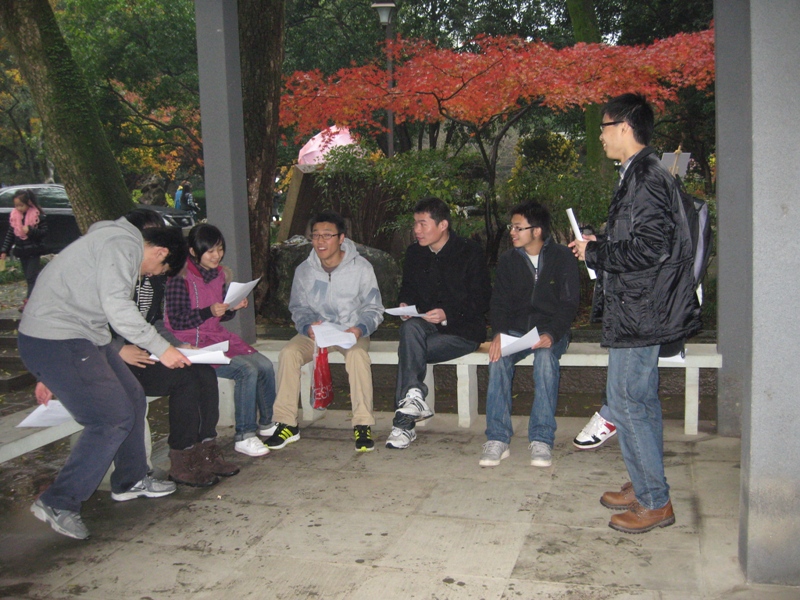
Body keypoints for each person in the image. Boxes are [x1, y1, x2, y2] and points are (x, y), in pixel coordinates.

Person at [569, 93, 701, 534]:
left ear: (624, 127)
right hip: (641, 308)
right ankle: (646, 482)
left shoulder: (646, 178)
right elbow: (642, 237)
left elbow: (650, 249)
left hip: (641, 310)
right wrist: (600, 241)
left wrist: (595, 253)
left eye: (604, 127)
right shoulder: (641, 174)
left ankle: (654, 502)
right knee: (639, 401)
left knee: (627, 401)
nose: (601, 136)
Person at [18, 217, 191, 540]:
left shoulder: (114, 243)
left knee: (133, 397)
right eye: (159, 270)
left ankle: (130, 479)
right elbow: (117, 308)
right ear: (160, 252)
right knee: (111, 418)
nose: (150, 276)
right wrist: (162, 348)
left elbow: (92, 305)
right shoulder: (121, 245)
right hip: (57, 338)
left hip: (83, 338)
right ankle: (58, 501)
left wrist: (54, 374)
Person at [113, 209, 238, 488]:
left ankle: (206, 449)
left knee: (203, 372)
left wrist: (172, 344)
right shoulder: (116, 275)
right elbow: (94, 322)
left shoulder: (156, 275)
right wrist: (117, 349)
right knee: (184, 380)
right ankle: (182, 459)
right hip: (116, 360)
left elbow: (154, 322)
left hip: (147, 350)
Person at [266, 210, 384, 452]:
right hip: (317, 332)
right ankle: (287, 423)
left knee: (357, 356)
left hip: (351, 331)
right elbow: (298, 307)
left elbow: (374, 308)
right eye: (316, 235)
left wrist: (359, 329)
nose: (320, 241)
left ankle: (362, 423)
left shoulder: (361, 268)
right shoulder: (305, 270)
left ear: (341, 238)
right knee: (289, 353)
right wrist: (307, 326)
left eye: (327, 235)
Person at [480, 201, 579, 468]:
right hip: (515, 330)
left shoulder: (562, 257)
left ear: (537, 231)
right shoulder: (508, 260)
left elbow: (569, 303)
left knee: (545, 359)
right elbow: (499, 302)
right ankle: (497, 438)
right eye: (511, 227)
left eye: (518, 228)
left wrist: (551, 333)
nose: (512, 232)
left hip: (550, 329)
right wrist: (499, 333)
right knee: (497, 359)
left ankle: (542, 438)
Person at [387, 197, 491, 449]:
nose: (417, 230)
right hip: (424, 326)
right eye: (415, 223)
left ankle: (403, 425)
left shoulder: (469, 252)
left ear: (443, 225)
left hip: (463, 332)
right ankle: (413, 399)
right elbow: (408, 288)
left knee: (409, 350)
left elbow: (482, 299)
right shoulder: (415, 253)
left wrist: (447, 314)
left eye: (423, 224)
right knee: (409, 327)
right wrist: (405, 305)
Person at [165, 223, 276, 458]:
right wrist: (209, 311)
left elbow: (219, 314)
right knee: (246, 370)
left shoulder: (220, 274)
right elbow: (176, 321)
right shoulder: (179, 277)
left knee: (265, 365)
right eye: (210, 251)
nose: (217, 255)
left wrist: (231, 308)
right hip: (191, 344)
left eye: (220, 249)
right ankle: (244, 435)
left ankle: (267, 423)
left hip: (216, 337)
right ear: (193, 251)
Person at [0, 189, 48, 310]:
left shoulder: (37, 216)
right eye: (16, 205)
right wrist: (4, 250)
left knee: (31, 277)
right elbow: (10, 235)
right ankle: (36, 299)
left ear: (29, 203)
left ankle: (29, 302)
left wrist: (30, 231)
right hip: (22, 251)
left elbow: (43, 233)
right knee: (28, 277)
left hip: (33, 251)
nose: (19, 208)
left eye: (21, 205)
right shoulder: (15, 217)